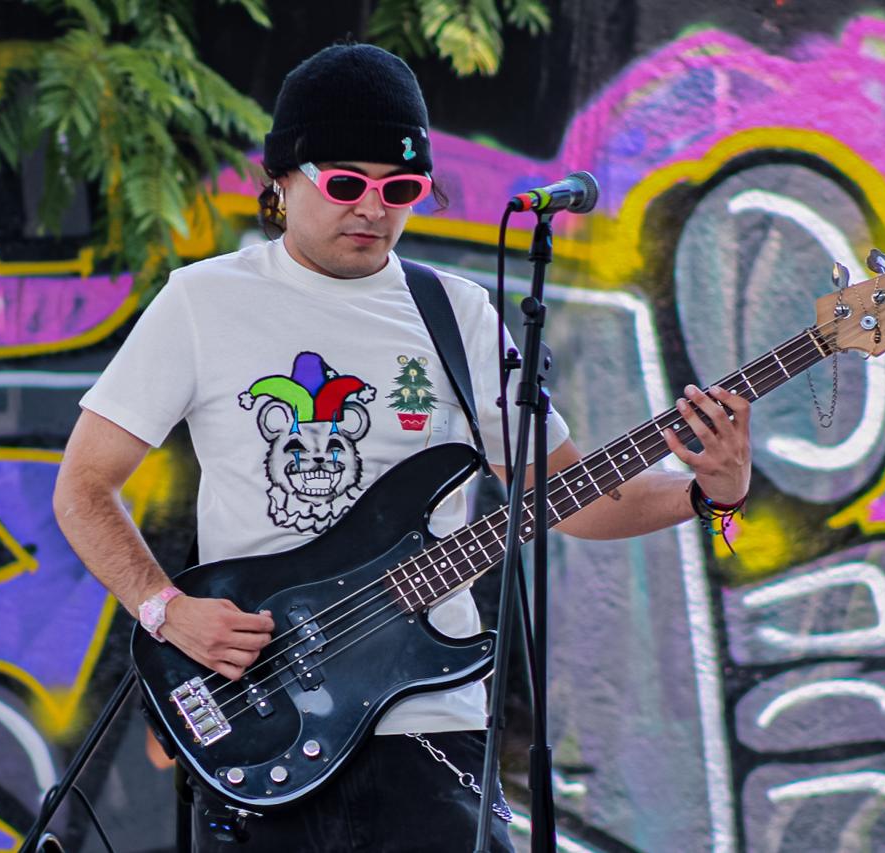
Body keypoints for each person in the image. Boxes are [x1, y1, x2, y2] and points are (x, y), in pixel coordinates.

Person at [53, 43, 752, 852]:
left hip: (430, 729)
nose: (372, 209)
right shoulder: (202, 303)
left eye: (400, 188)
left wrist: (710, 494)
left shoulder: (459, 316)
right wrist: (167, 610)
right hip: (262, 717)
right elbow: (83, 486)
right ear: (281, 181)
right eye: (346, 183)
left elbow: (571, 498)